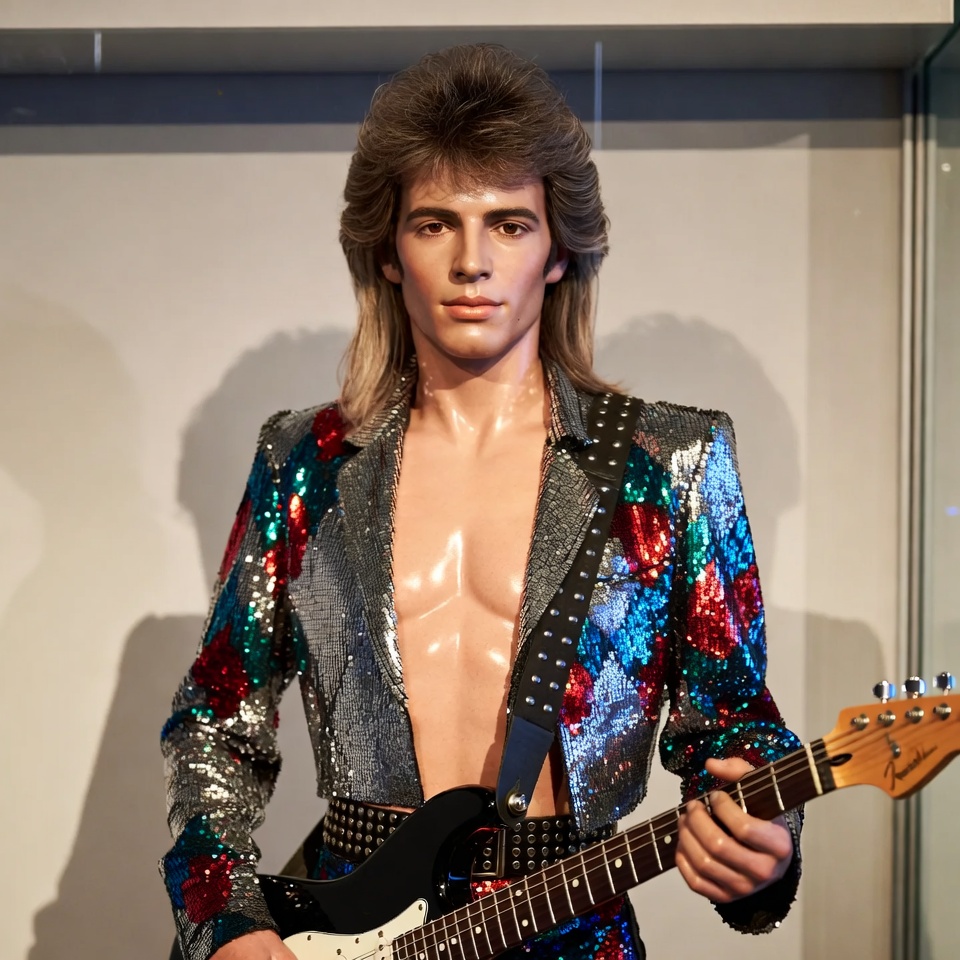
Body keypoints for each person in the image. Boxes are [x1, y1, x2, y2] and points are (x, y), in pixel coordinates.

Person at [160, 43, 802, 960]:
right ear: (389, 253)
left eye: (508, 224)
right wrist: (226, 917)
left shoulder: (669, 464)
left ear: (557, 250)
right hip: (349, 924)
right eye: (435, 224)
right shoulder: (306, 461)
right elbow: (214, 720)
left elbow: (734, 721)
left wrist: (764, 842)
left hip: (572, 923)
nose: (472, 262)